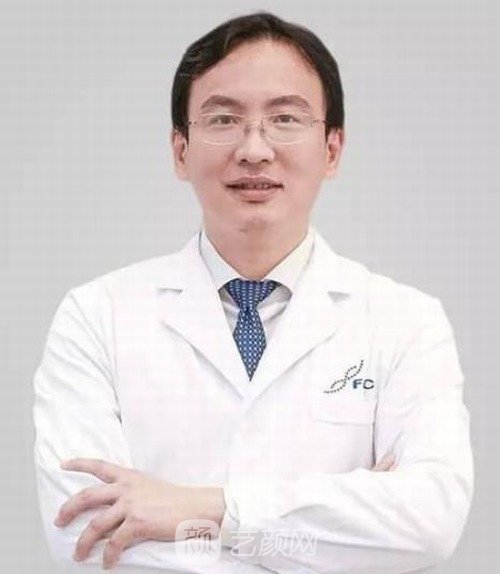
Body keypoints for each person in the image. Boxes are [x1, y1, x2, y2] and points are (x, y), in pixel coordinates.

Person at [33, 11, 473, 574]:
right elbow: (85, 535)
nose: (255, 149)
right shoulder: (96, 316)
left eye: (285, 118)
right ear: (180, 150)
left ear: (332, 149)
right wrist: (347, 530)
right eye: (224, 119)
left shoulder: (405, 321)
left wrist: (203, 508)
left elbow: (430, 521)